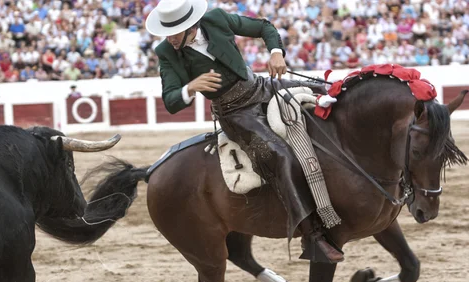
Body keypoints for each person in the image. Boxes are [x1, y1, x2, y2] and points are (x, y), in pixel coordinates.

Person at [146, 0, 344, 263]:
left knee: (328, 91)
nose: (170, 38)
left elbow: (264, 27)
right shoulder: (167, 52)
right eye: (167, 32)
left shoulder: (216, 19)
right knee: (278, 155)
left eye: (174, 32)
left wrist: (276, 52)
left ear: (191, 26)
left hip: (261, 87)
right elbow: (171, 101)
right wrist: (191, 87)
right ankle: (313, 236)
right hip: (233, 113)